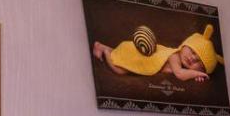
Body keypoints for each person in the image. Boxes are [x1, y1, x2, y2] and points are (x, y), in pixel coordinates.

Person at [92, 23, 223, 82]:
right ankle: (105, 50)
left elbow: (188, 73)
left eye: (199, 62)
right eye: (193, 51)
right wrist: (197, 73)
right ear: (184, 45)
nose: (192, 58)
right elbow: (180, 74)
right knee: (120, 69)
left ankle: (103, 47)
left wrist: (196, 75)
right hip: (137, 54)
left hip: (139, 58)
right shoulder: (174, 56)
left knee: (120, 60)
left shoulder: (186, 66)